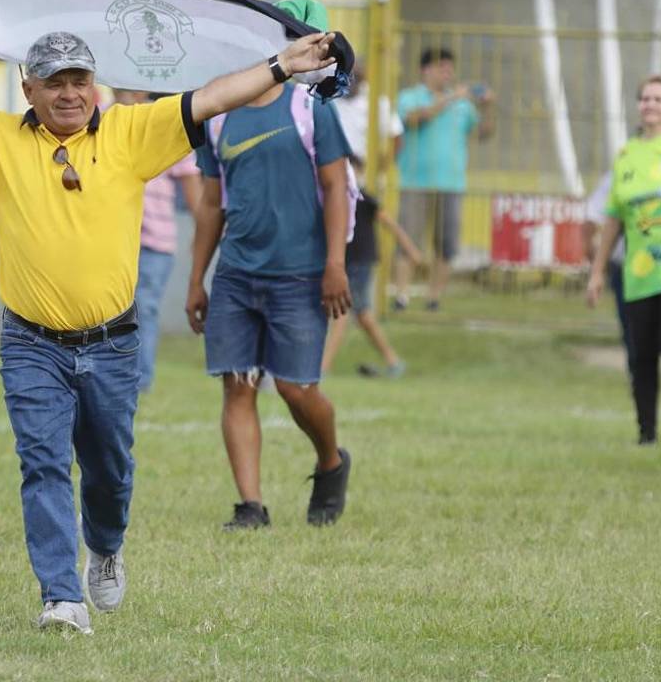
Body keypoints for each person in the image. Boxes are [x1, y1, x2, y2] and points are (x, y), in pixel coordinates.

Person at [0, 4, 337, 634]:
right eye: (54, 82)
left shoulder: (132, 132)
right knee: (42, 462)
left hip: (112, 345)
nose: (69, 93)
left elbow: (210, 97)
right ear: (29, 89)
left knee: (110, 470)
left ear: (94, 85)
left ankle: (104, 545)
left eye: (79, 80)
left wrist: (283, 64)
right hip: (31, 345)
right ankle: (60, 596)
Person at [186, 77, 354, 533]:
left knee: (295, 388)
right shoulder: (217, 115)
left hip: (301, 274)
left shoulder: (309, 108)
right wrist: (196, 279)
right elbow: (210, 202)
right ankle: (251, 507)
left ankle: (330, 461)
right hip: (236, 275)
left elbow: (336, 186)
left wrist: (335, 264)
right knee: (238, 385)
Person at [587, 75, 661, 445]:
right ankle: (646, 434)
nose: (649, 104)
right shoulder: (627, 155)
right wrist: (597, 270)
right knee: (641, 354)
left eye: (658, 98)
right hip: (639, 274)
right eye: (645, 98)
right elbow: (614, 218)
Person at [111, 88, 202, 393]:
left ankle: (139, 380)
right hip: (110, 240)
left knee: (144, 308)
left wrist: (204, 234)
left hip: (154, 241)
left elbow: (192, 186)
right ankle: (110, 375)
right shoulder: (98, 119)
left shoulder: (163, 122)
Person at [393, 48, 495, 311]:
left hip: (452, 184)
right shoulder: (410, 97)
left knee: (446, 245)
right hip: (415, 182)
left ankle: (433, 298)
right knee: (407, 241)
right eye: (442, 68)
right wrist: (450, 98)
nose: (448, 73)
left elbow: (483, 133)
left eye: (450, 68)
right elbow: (414, 120)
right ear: (425, 69)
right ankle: (401, 296)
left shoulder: (463, 104)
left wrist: (488, 108)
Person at [321, 155, 423, 377]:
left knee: (343, 314)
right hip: (345, 264)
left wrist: (411, 250)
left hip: (360, 263)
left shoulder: (364, 200)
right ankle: (393, 361)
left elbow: (391, 226)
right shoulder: (333, 198)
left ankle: (324, 367)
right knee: (362, 316)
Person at [583, 170, 633, 378]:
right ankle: (638, 384)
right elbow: (593, 217)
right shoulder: (625, 168)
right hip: (625, 268)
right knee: (634, 338)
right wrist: (597, 266)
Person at [332, 61, 403, 163]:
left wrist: (378, 166)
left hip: (364, 171)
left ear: (362, 78)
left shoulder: (377, 101)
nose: (347, 81)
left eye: (353, 76)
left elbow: (395, 137)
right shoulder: (327, 99)